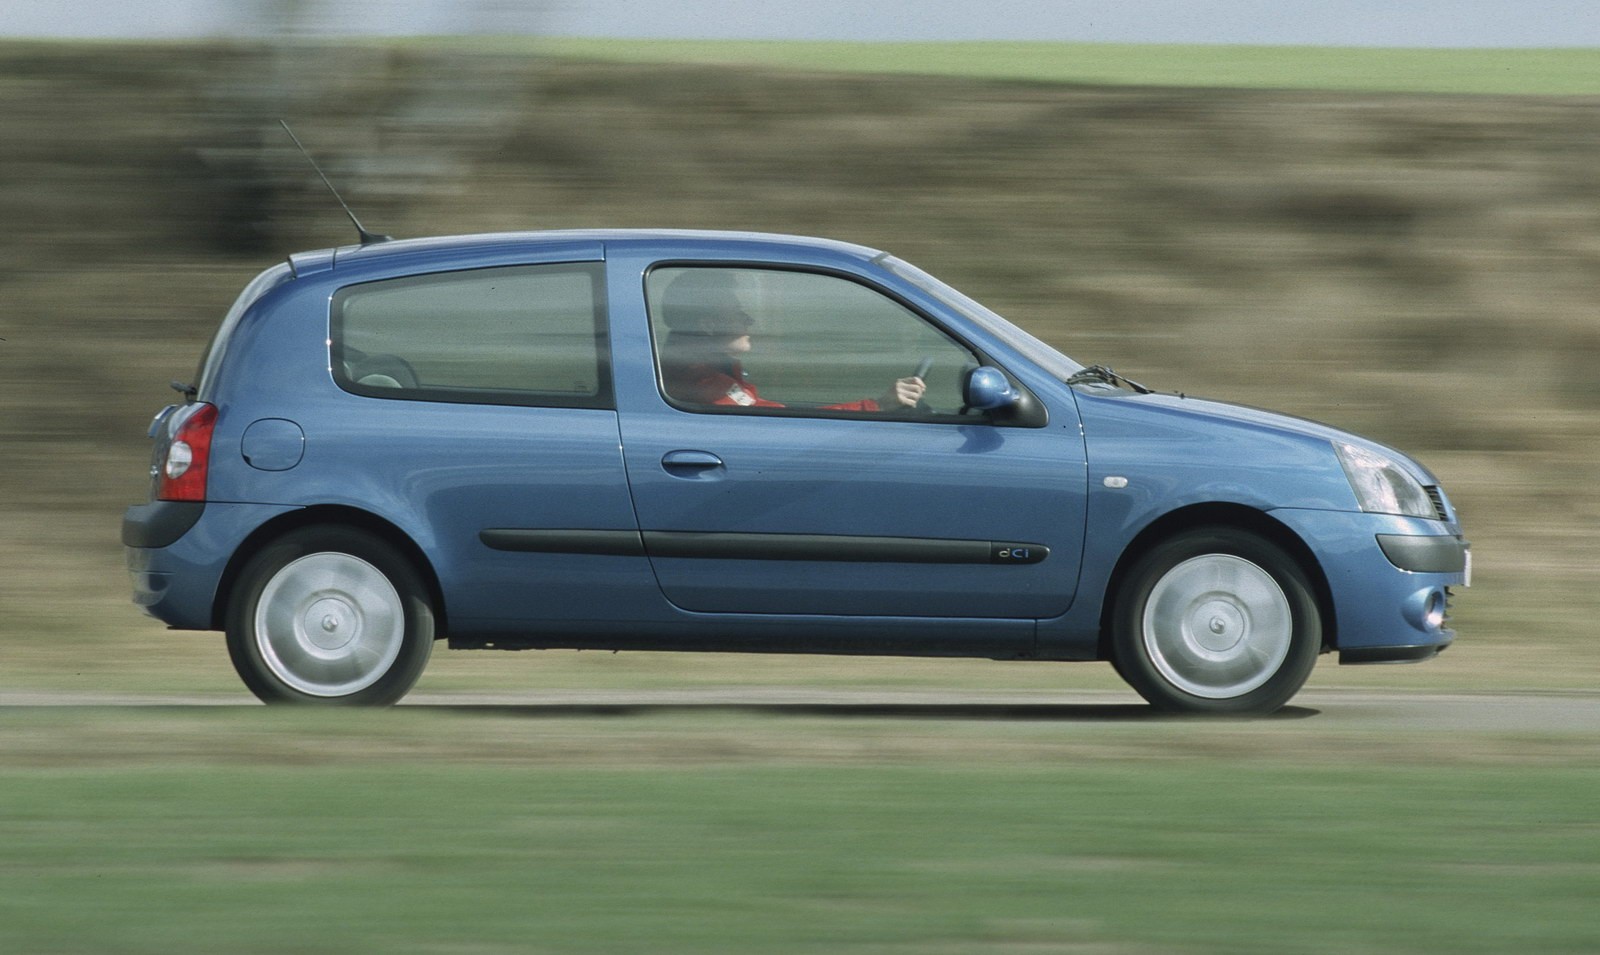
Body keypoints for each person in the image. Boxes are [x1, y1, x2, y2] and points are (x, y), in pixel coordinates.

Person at [657, 270, 925, 411]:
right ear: (708, 325)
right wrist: (878, 406)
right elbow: (777, 424)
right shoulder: (705, 385)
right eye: (737, 313)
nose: (748, 321)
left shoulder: (709, 369)